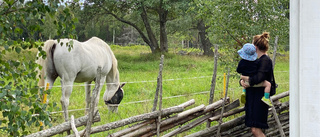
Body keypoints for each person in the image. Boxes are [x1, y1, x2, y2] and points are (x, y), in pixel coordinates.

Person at [240, 32, 274, 137]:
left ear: (255, 47)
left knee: (256, 130)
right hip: (252, 97)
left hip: (260, 98)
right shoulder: (254, 60)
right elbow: (245, 74)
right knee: (253, 129)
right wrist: (241, 81)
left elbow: (259, 78)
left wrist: (246, 81)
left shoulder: (265, 61)